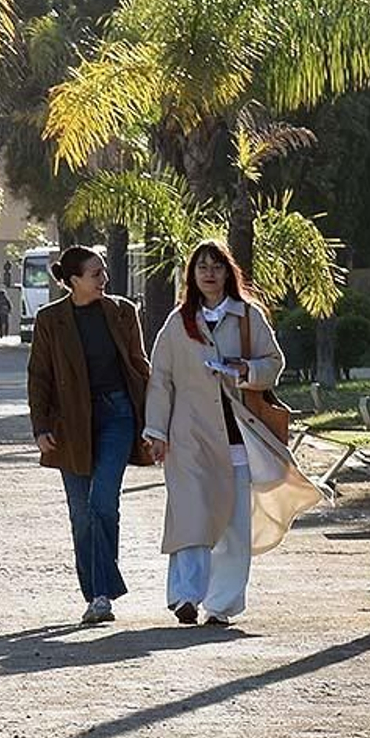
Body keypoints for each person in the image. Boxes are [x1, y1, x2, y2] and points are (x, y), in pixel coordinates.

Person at [143, 241, 324, 626]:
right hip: (188, 437)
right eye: (201, 267)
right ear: (191, 275)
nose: (209, 274)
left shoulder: (248, 317)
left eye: (217, 266)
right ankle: (185, 597)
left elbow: (273, 363)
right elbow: (161, 380)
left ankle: (221, 605)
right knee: (190, 518)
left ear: (229, 272)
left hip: (238, 434)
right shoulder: (178, 323)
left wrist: (244, 370)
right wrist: (156, 430)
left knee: (233, 525)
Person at [26, 246, 152, 624]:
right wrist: (41, 426)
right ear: (74, 281)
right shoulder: (51, 320)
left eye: (103, 273)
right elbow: (40, 376)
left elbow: (139, 366)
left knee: (102, 501)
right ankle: (98, 593)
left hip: (118, 415)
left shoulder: (122, 311)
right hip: (71, 423)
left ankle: (101, 594)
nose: (104, 280)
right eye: (96, 274)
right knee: (80, 513)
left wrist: (154, 419)